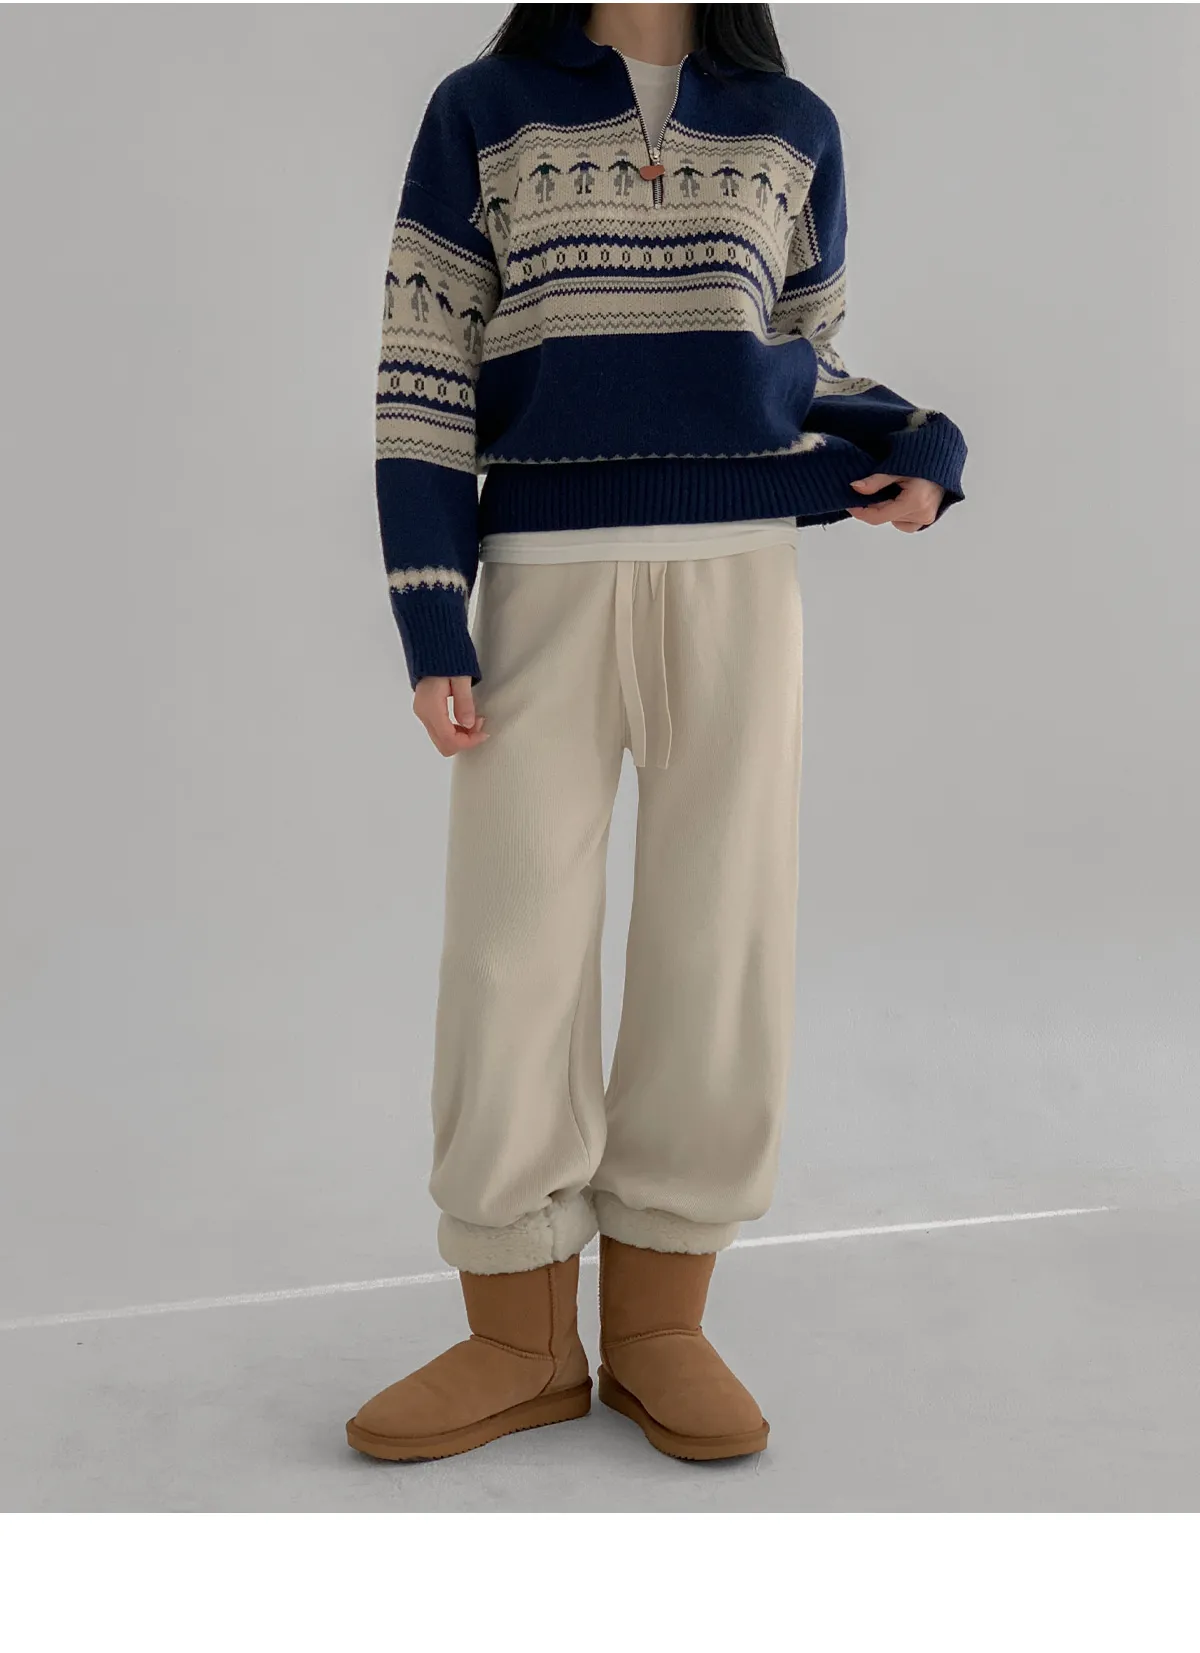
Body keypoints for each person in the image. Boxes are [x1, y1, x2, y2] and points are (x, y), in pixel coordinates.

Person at [347, 1, 967, 1464]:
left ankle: (659, 1325)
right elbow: (422, 375)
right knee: (512, 947)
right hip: (543, 586)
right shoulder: (481, 109)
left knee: (721, 935)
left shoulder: (792, 124)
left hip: (739, 578)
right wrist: (432, 614)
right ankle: (519, 1336)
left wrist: (925, 448)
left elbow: (804, 357)